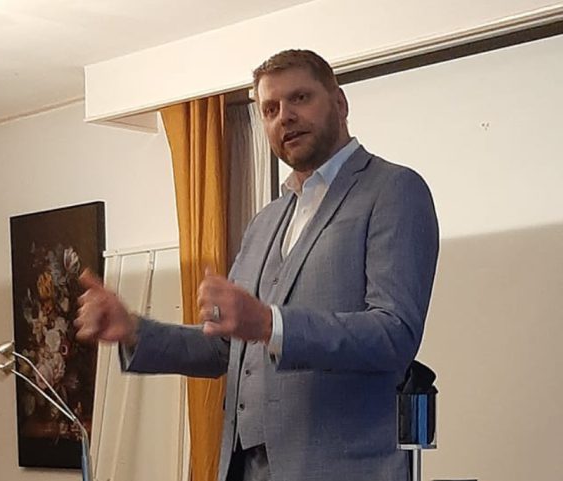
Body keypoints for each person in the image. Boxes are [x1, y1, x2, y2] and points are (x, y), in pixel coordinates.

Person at [75, 49, 439, 481]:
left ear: (340, 103)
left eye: (300, 98)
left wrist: (270, 324)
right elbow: (225, 349)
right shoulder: (266, 221)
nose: (285, 117)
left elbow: (394, 333)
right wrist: (134, 330)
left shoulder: (393, 190)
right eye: (270, 109)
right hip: (244, 468)